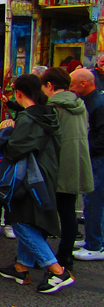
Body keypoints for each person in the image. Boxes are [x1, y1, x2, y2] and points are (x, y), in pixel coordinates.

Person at [0, 74, 73, 294]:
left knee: (20, 221)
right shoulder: (48, 113)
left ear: (19, 93)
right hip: (47, 172)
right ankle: (22, 267)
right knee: (30, 220)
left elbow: (15, 149)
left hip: (29, 177)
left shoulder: (28, 119)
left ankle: (58, 271)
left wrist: (5, 133)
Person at [41, 67, 94, 270]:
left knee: (46, 210)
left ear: (49, 86)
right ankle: (66, 254)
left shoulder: (54, 107)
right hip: (78, 160)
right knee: (68, 211)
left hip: (58, 163)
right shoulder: (79, 104)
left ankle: (44, 256)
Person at [70, 68, 104, 260]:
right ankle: (94, 240)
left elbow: (101, 136)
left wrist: (85, 150)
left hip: (97, 158)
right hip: (94, 156)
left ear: (84, 83)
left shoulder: (98, 103)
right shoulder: (93, 101)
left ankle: (95, 244)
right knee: (93, 201)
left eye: (73, 84)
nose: (72, 88)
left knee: (93, 200)